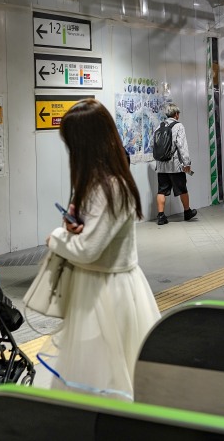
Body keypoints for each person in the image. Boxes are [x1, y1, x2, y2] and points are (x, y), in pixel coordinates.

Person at [41, 99, 160, 398]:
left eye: (72, 145)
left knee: (107, 380)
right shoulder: (99, 182)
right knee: (99, 378)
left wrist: (56, 237)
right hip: (98, 289)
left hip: (108, 293)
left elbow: (87, 250)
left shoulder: (112, 186)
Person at [154, 103, 196, 225]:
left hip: (161, 166)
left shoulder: (159, 126)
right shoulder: (179, 126)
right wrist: (187, 163)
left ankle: (161, 216)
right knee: (182, 189)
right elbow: (182, 146)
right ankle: (187, 212)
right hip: (175, 166)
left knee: (161, 191)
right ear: (176, 114)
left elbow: (153, 145)